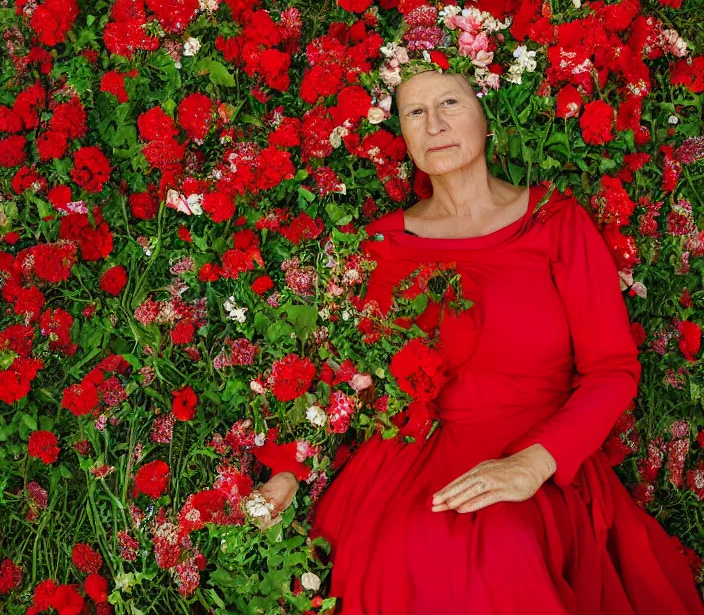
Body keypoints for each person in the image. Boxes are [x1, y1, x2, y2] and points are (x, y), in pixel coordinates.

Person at [258, 69, 704, 614]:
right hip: (407, 459)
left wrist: (535, 464)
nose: (435, 124)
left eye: (450, 102)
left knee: (503, 548)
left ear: (486, 117)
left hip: (537, 450)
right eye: (415, 112)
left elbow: (612, 368)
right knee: (406, 550)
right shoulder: (379, 245)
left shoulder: (554, 223)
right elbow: (337, 373)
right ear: (402, 132)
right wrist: (288, 470)